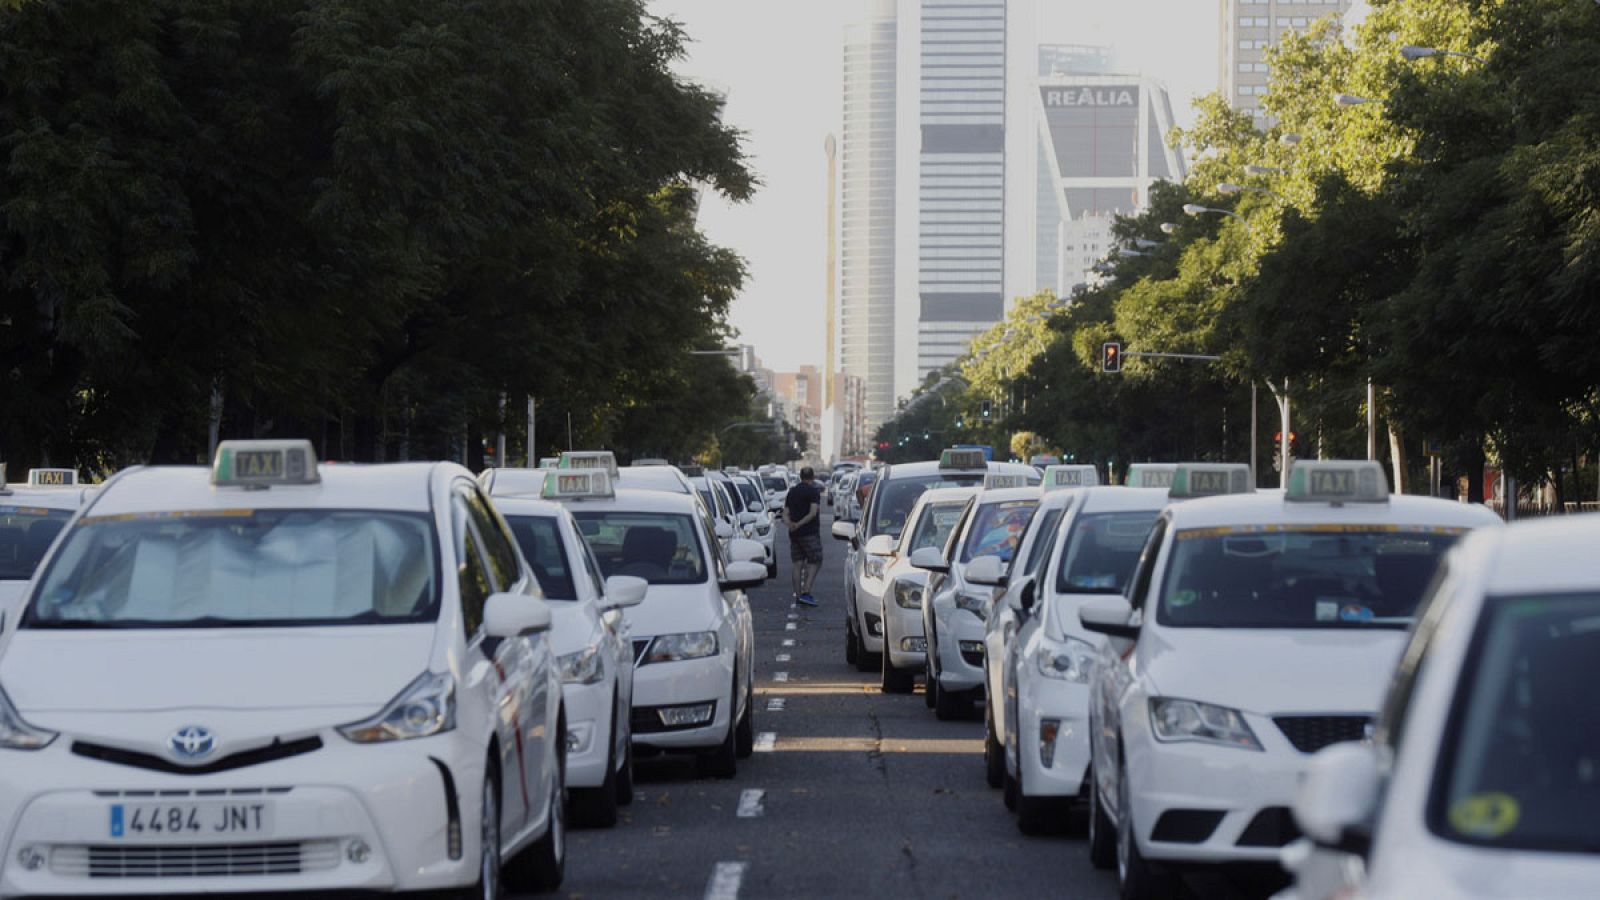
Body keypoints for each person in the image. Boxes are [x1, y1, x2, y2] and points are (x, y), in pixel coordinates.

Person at [784, 467, 824, 607]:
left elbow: (785, 513)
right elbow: (813, 513)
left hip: (794, 534)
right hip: (809, 532)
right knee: (816, 560)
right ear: (812, 477)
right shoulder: (813, 491)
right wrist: (800, 524)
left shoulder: (792, 492)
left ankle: (798, 595)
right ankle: (806, 591)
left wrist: (791, 524)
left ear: (801, 477)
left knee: (797, 564)